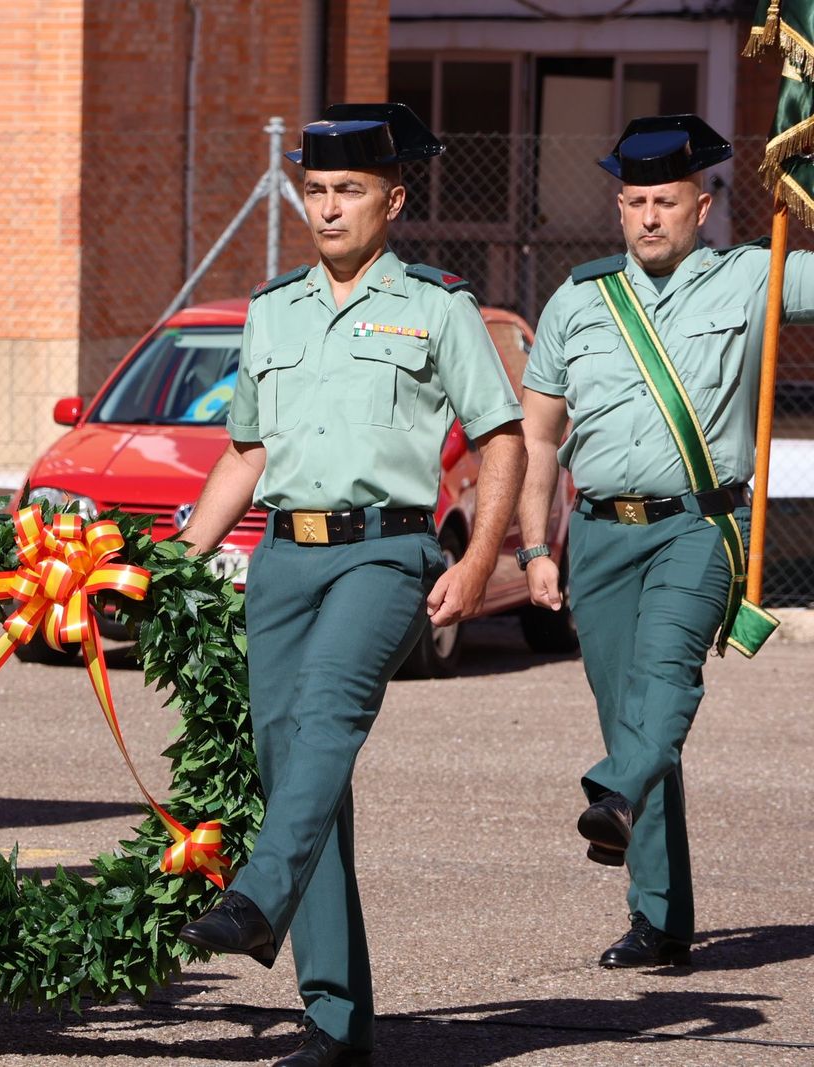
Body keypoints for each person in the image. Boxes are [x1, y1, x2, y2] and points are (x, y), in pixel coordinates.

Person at [173, 103, 526, 1067]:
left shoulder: (437, 305)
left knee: (326, 714)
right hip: (283, 556)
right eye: (316, 190)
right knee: (295, 767)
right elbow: (246, 452)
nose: (328, 208)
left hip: (386, 552)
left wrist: (478, 559)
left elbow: (500, 438)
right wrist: (180, 555)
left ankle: (256, 898)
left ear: (392, 201)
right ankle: (336, 1023)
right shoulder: (273, 309)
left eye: (350, 191)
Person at [518, 114, 808, 969]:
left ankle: (613, 793)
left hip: (700, 524)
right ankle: (660, 918)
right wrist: (536, 547)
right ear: (620, 207)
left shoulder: (754, 274)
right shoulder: (578, 299)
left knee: (664, 679)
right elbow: (538, 436)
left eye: (667, 202)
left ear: (701, 207)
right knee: (630, 718)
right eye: (636, 202)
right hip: (600, 536)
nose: (650, 217)